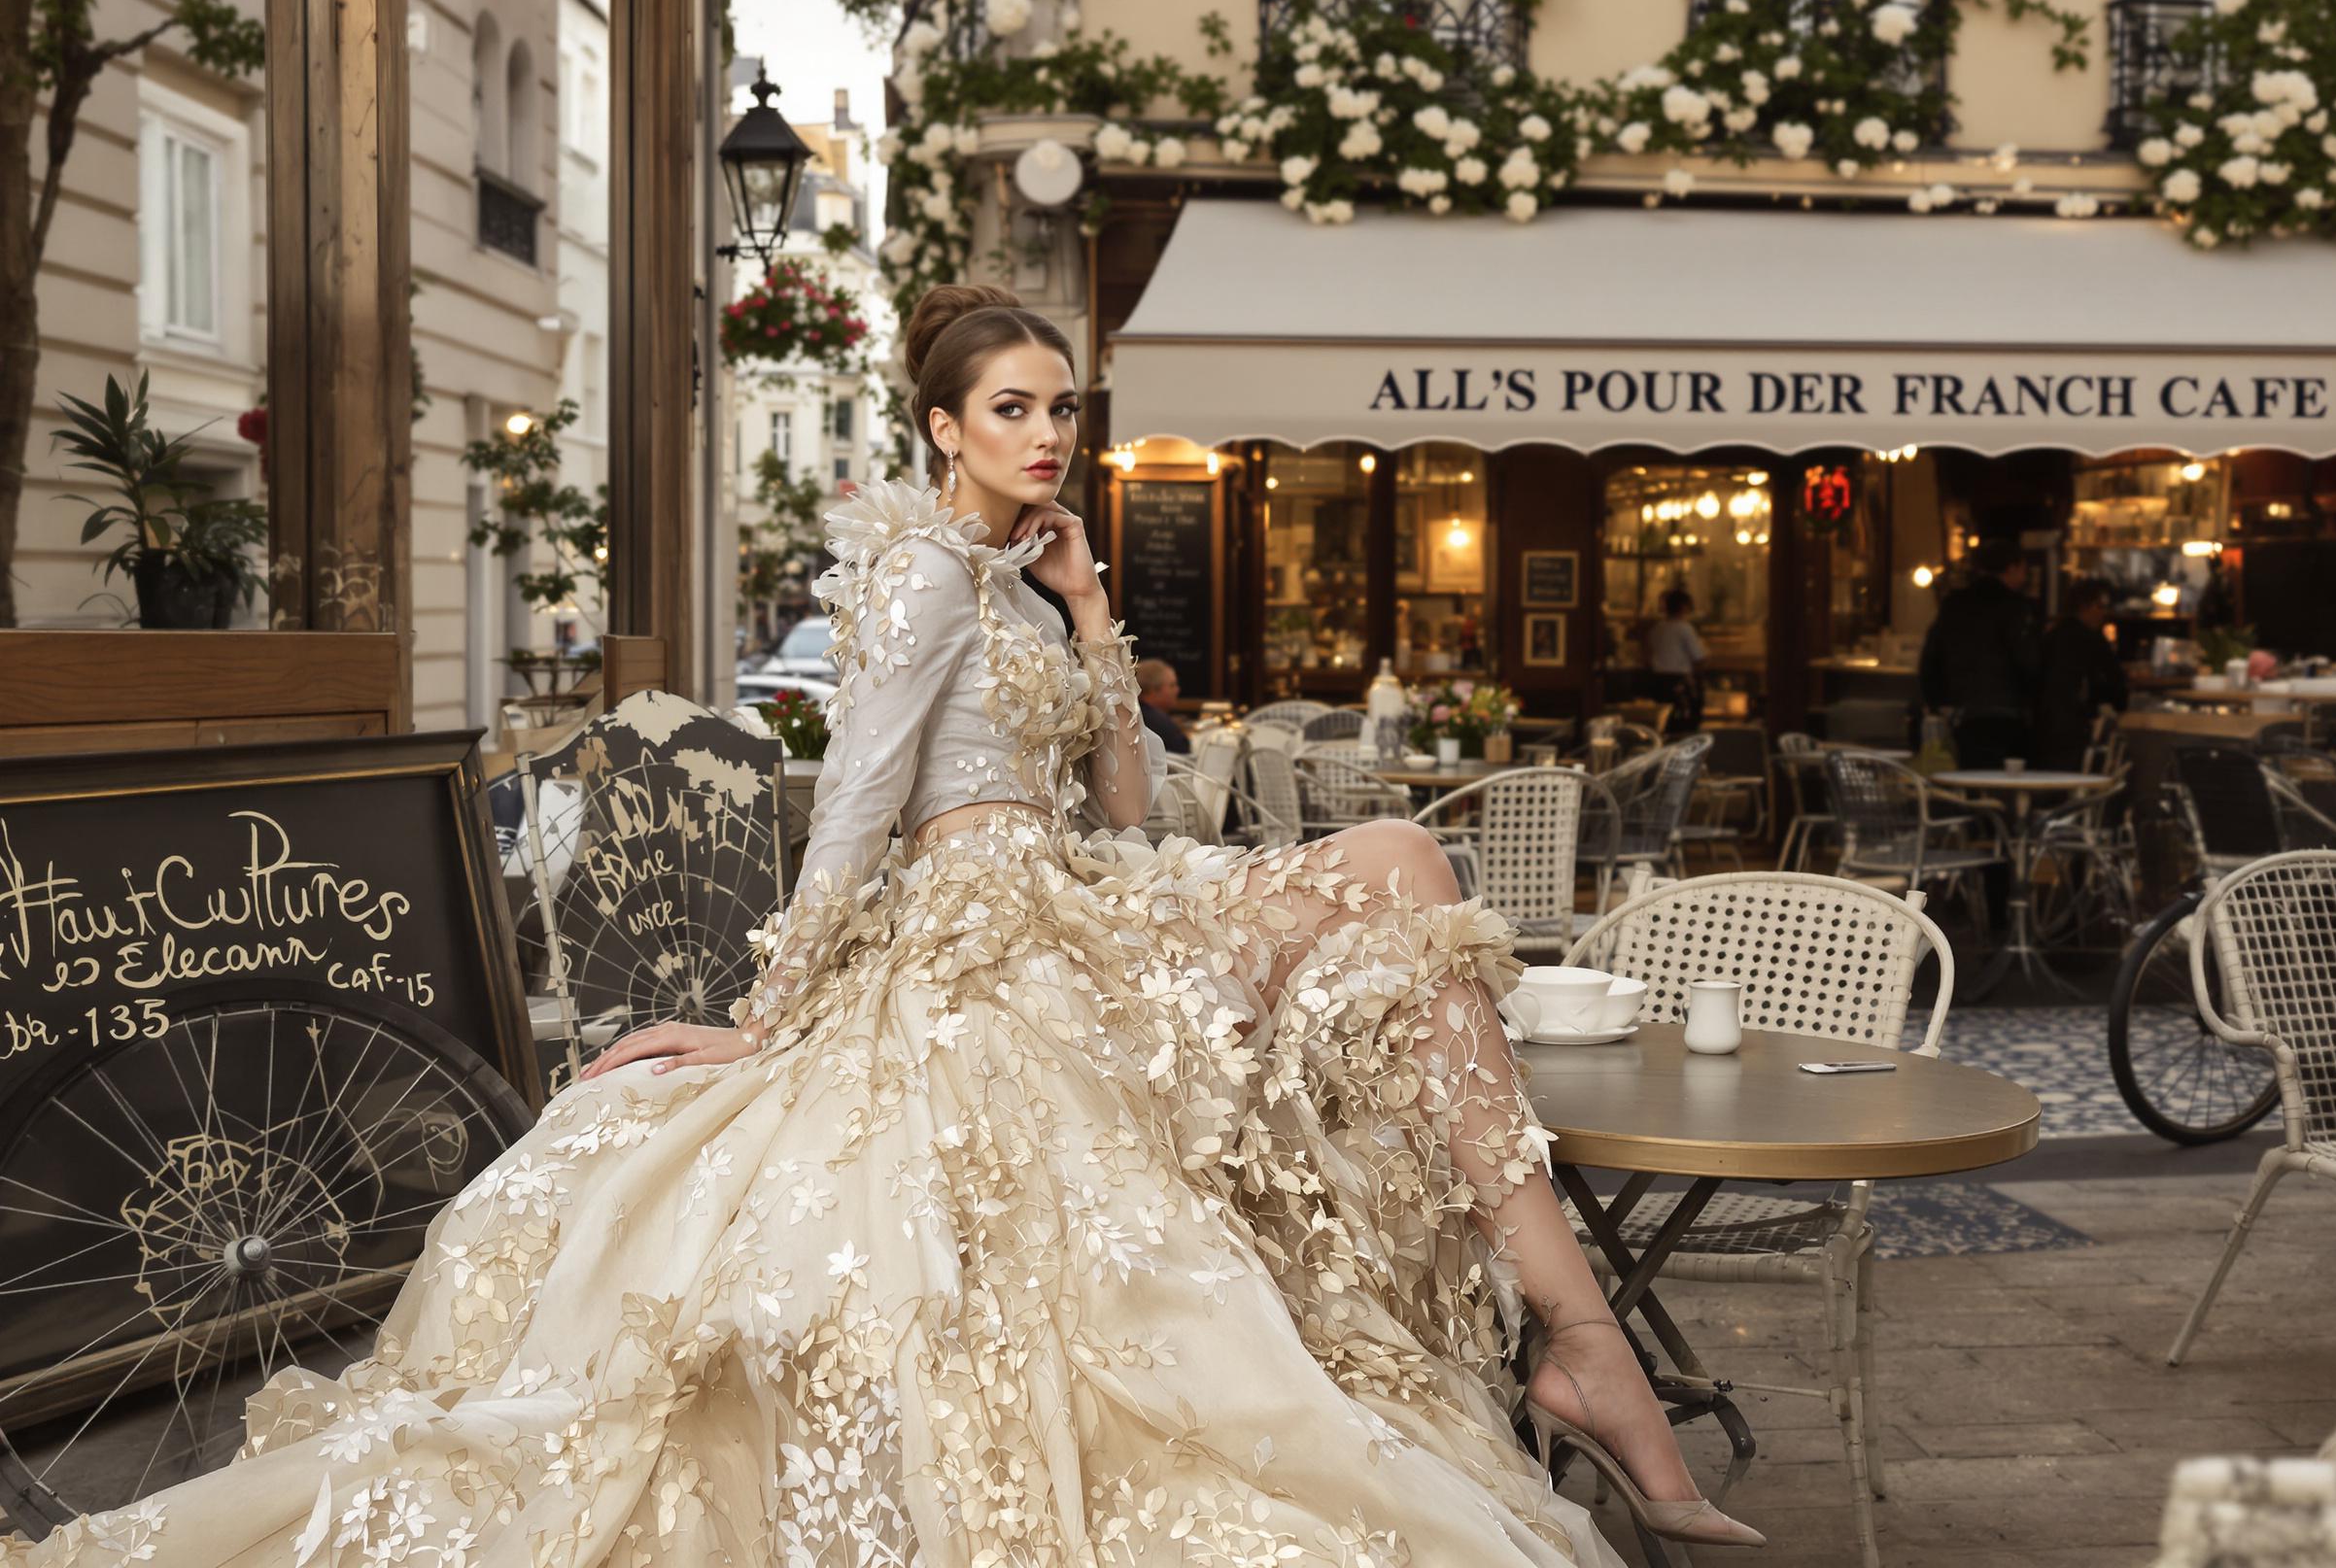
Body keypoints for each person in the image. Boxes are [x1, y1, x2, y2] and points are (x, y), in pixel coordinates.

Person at [3, 285, 1760, 1566]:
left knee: (1397, 868)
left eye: (1060, 406)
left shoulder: (1017, 570)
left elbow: (1135, 806)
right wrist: (772, 1013)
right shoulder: (918, 568)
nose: (1048, 432)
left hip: (1083, 888)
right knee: (1397, 864)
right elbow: (853, 804)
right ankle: (1583, 1342)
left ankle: (1574, 1336)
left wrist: (1086, 611)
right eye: (1012, 407)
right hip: (985, 925)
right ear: (941, 423)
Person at [1919, 540, 2042, 769]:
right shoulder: (2015, 607)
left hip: (1963, 713)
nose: (2025, 577)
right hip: (2007, 713)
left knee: (1970, 780)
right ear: (2012, 567)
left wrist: (1936, 702)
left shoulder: (1954, 604)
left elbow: (1931, 657)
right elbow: (2028, 660)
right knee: (2004, 785)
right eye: (2024, 569)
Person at [2035, 577, 2129, 771]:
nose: (2104, 613)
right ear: (2085, 606)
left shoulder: (2050, 636)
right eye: (2100, 607)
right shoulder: (2090, 639)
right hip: (2074, 723)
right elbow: (2113, 680)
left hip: (2043, 724)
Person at [1643, 586, 1706, 735]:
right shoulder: (1685, 628)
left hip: (1657, 681)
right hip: (1679, 682)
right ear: (1684, 607)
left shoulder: (1657, 628)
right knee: (1684, 724)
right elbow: (1699, 658)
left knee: (1663, 723)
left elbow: (1647, 655)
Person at [1136, 655, 1193, 756]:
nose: (1177, 690)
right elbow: (1185, 751)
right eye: (1172, 685)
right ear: (1153, 690)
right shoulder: (1158, 722)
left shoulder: (1133, 715)